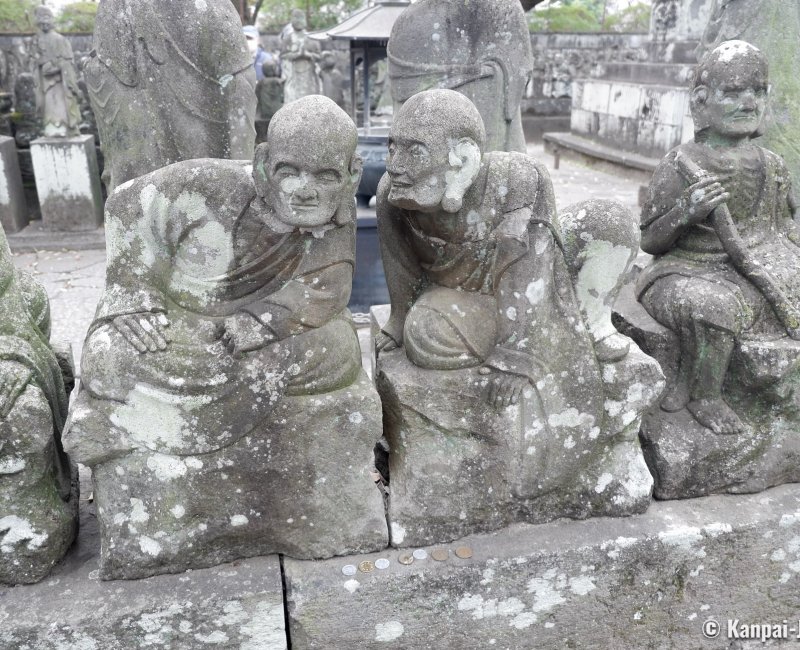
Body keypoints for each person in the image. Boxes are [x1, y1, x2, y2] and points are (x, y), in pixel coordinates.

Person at [76, 96, 364, 463]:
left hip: (253, 337)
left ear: (352, 175)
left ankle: (149, 419)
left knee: (338, 349)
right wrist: (133, 293)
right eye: (289, 172)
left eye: (326, 176)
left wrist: (266, 319)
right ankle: (159, 423)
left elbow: (328, 288)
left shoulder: (336, 214)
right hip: (178, 324)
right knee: (106, 358)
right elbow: (123, 203)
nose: (305, 191)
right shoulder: (207, 182)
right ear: (263, 165)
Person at [376, 89, 604, 423]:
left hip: (517, 306)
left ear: (464, 157)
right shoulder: (391, 192)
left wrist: (516, 354)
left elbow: (530, 272)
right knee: (420, 329)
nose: (394, 165)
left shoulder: (516, 181)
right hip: (452, 298)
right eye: (392, 148)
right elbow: (400, 266)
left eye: (414, 151)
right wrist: (398, 320)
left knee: (426, 332)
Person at [636, 41, 800, 435]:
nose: (749, 102)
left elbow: (784, 229)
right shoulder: (681, 163)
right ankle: (704, 394)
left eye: (757, 91)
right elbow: (650, 243)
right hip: (688, 269)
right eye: (733, 92)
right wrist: (685, 212)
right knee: (712, 306)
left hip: (759, 263)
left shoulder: (772, 165)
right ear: (702, 100)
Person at [84, 0, 256, 192]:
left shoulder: (208, 6)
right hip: (140, 162)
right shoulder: (116, 7)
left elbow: (241, 82)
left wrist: (242, 169)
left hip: (203, 159)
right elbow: (105, 77)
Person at [31, 6, 81, 137]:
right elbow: (33, 60)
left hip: (60, 82)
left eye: (47, 19)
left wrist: (56, 68)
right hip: (45, 84)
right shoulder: (35, 40)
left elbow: (68, 62)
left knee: (62, 105)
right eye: (41, 20)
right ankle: (51, 129)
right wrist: (39, 64)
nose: (44, 23)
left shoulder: (60, 39)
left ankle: (67, 128)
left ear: (52, 20)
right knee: (49, 106)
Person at [279, 9, 320, 104]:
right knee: (293, 100)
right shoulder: (288, 38)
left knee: (310, 100)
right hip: (293, 74)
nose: (298, 21)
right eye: (295, 17)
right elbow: (283, 55)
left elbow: (319, 56)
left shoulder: (311, 38)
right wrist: (296, 55)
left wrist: (308, 55)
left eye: (301, 18)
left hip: (309, 75)